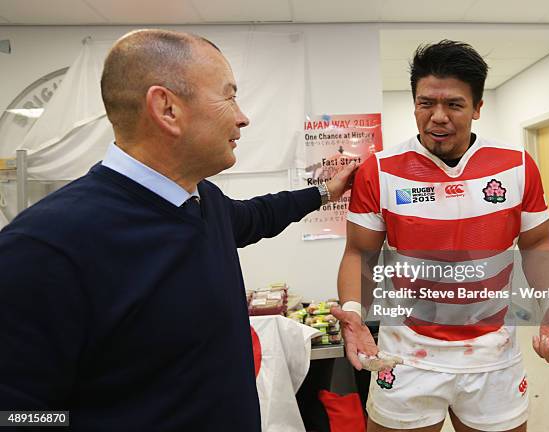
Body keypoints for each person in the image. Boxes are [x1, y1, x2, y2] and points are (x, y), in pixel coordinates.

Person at [0, 29, 356, 431]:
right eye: (228, 95)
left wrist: (326, 191)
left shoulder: (203, 201)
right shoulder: (45, 248)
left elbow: (259, 216)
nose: (243, 116)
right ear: (166, 108)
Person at [333, 40, 549, 432]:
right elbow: (358, 252)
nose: (437, 117)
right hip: (406, 353)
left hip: (493, 352)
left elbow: (538, 243)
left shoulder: (516, 165)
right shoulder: (380, 171)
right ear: (414, 103)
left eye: (453, 104)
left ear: (477, 107)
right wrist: (353, 311)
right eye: (425, 103)